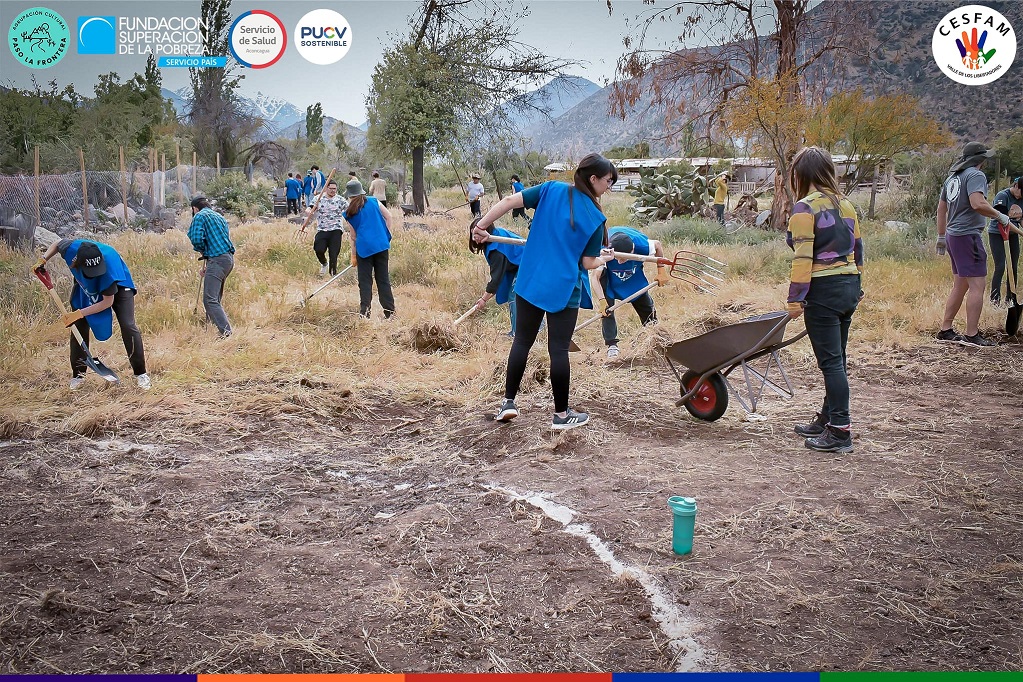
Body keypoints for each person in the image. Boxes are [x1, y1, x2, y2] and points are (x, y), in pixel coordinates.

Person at [472, 153, 618, 430]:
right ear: (593, 178)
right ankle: (561, 416)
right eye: (608, 181)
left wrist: (480, 226)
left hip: (530, 281)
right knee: (559, 350)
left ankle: (508, 403)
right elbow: (588, 263)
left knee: (522, 342)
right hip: (563, 289)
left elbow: (507, 202)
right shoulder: (596, 218)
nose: (609, 187)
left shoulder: (551, 189)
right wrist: (605, 259)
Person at [785, 146, 863, 454]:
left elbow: (802, 257)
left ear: (799, 175)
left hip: (823, 289)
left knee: (831, 363)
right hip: (848, 286)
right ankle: (828, 419)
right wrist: (857, 285)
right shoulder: (847, 204)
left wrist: (795, 299)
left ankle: (840, 432)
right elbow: (858, 249)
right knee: (838, 360)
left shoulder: (806, 208)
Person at [34, 239, 150, 390]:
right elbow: (57, 243)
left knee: (128, 325)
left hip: (119, 286)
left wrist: (79, 313)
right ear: (78, 262)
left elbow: (107, 302)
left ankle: (141, 374)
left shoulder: (107, 269)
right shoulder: (71, 249)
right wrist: (43, 260)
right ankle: (78, 376)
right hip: (86, 286)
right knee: (78, 325)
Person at [936, 141, 1014, 347]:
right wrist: (1000, 216)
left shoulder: (952, 178)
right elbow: (977, 203)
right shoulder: (976, 175)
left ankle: (945, 330)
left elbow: (941, 209)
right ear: (981, 159)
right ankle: (972, 335)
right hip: (967, 236)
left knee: (960, 285)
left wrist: (941, 236)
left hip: (953, 236)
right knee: (977, 285)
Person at [599, 226, 669, 359]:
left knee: (644, 302)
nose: (620, 262)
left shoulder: (641, 245)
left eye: (623, 259)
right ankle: (612, 345)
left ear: (632, 250)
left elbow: (658, 245)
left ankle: (656, 335)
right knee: (607, 309)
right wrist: (602, 301)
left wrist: (661, 270)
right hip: (609, 273)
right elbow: (595, 278)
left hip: (633, 272)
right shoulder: (603, 248)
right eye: (619, 259)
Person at [343, 179, 395, 318]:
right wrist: (387, 234)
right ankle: (390, 313)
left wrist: (353, 255)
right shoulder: (374, 201)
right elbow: (389, 216)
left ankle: (365, 313)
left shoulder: (349, 212)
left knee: (365, 282)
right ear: (361, 192)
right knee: (383, 279)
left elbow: (353, 237)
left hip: (364, 249)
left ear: (349, 196)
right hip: (381, 245)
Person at [187, 196, 235, 338]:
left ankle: (226, 333)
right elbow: (220, 240)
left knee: (210, 300)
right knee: (214, 299)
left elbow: (196, 237)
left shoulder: (199, 216)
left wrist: (202, 250)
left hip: (217, 260)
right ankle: (211, 332)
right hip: (227, 259)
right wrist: (209, 262)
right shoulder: (218, 216)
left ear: (195, 208)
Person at [468, 222, 525, 337]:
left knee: (514, 296)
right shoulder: (493, 237)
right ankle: (531, 328)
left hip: (529, 262)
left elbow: (496, 279)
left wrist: (483, 299)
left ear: (486, 230)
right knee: (518, 296)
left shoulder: (497, 249)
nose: (475, 239)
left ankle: (518, 333)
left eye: (477, 234)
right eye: (473, 235)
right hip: (518, 263)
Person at [988, 176, 1023, 306]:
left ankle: (1011, 299)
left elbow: (1021, 219)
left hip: (1013, 235)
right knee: (1001, 265)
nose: (1020, 197)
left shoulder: (1022, 198)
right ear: (1015, 186)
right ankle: (994, 299)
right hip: (997, 234)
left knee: (1013, 266)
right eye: (1021, 192)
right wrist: (1021, 232)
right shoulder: (1002, 196)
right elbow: (1003, 221)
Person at [305, 179, 348, 277]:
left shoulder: (340, 200)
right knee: (318, 249)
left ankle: (333, 274)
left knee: (334, 253)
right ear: (326, 189)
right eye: (331, 189)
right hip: (322, 229)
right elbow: (310, 207)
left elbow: (349, 210)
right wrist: (308, 211)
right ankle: (324, 263)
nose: (333, 191)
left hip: (336, 229)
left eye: (335, 189)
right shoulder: (318, 198)